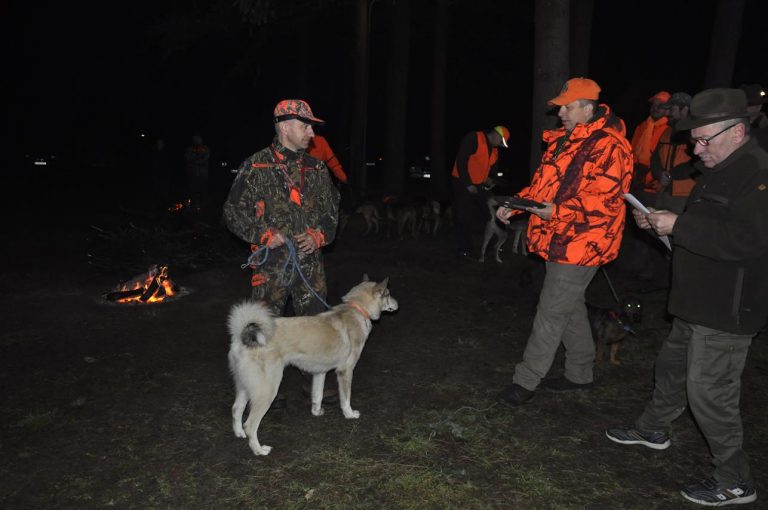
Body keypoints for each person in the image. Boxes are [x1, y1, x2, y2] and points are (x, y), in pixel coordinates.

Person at [605, 88, 768, 507]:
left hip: (726, 307)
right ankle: (652, 429)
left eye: (703, 139)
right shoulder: (717, 168)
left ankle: (736, 481)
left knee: (710, 393)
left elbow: (748, 242)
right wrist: (661, 224)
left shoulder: (756, 172)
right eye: (694, 139)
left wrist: (678, 225)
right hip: (695, 298)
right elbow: (701, 231)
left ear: (736, 131)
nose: (695, 149)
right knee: (672, 367)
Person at [495, 77, 633, 406]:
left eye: (567, 108)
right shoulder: (566, 141)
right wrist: (518, 204)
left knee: (552, 311)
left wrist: (556, 211)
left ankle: (526, 381)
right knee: (569, 307)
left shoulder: (610, 145)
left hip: (584, 240)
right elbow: (544, 186)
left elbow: (605, 200)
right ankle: (580, 374)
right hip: (558, 235)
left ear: (588, 107)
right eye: (560, 108)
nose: (560, 114)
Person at [223, 99, 340, 406]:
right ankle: (258, 386)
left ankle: (315, 385)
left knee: (315, 325)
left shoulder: (316, 168)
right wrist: (263, 234)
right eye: (305, 126)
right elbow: (232, 212)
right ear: (286, 126)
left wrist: (318, 236)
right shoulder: (256, 166)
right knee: (263, 326)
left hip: (309, 265)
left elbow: (331, 213)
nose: (311, 134)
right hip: (271, 267)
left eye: (311, 127)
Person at [450, 125, 509, 256]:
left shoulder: (494, 150)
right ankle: (463, 248)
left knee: (491, 212)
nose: (501, 145)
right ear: (496, 135)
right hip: (462, 182)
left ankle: (493, 245)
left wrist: (490, 179)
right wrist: (468, 184)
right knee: (463, 214)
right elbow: (461, 161)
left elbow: (492, 169)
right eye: (501, 141)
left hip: (479, 184)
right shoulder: (474, 138)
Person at [651, 92, 695, 215]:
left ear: (685, 109)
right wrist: (659, 173)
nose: (667, 113)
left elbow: (699, 163)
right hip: (663, 192)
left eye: (671, 109)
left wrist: (672, 174)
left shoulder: (695, 132)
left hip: (684, 195)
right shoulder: (667, 132)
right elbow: (655, 158)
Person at [630, 91, 671, 205]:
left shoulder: (669, 130)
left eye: (660, 106)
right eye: (654, 104)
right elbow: (631, 151)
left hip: (654, 186)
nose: (655, 108)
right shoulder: (642, 126)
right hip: (635, 182)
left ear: (668, 109)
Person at [184, 134, 211, 209]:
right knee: (192, 190)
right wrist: (198, 157)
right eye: (195, 138)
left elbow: (205, 158)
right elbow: (187, 157)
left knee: (203, 190)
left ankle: (203, 206)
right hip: (192, 173)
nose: (197, 140)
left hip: (203, 174)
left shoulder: (205, 148)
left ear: (201, 139)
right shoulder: (189, 148)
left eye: (198, 138)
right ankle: (194, 206)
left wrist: (195, 159)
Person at [739, 83, 768, 150]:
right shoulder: (737, 122)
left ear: (759, 107)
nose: (745, 108)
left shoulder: (763, 128)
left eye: (749, 105)